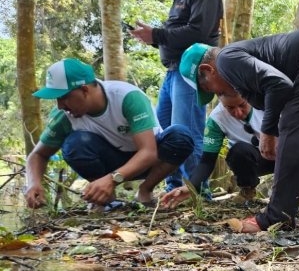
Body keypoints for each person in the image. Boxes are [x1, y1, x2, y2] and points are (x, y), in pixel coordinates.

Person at [178, 24, 299, 231]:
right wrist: (191, 187)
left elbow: (279, 85)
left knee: (291, 125)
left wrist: (268, 132)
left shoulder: (226, 60)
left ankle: (275, 217)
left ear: (208, 70)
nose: (216, 93)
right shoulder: (241, 60)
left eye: (208, 88)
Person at [24, 59, 194, 209]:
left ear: (84, 90)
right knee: (74, 144)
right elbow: (38, 154)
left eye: (63, 97)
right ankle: (105, 199)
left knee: (180, 136)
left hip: (151, 161)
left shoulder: (126, 97)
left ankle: (145, 190)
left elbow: (148, 152)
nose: (60, 105)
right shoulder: (64, 116)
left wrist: (112, 180)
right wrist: (34, 183)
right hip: (111, 161)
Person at [129, 0, 223, 191]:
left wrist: (157, 35)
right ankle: (172, 188)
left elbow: (199, 33)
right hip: (172, 72)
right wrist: (150, 38)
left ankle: (195, 192)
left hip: (192, 73)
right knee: (167, 135)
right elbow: (177, 31)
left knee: (188, 132)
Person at [159, 87, 299, 207]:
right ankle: (247, 190)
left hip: (286, 154)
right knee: (238, 151)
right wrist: (190, 187)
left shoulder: (268, 103)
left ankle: (287, 190)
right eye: (230, 107)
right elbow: (207, 161)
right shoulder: (217, 119)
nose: (238, 112)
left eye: (242, 105)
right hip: (254, 160)